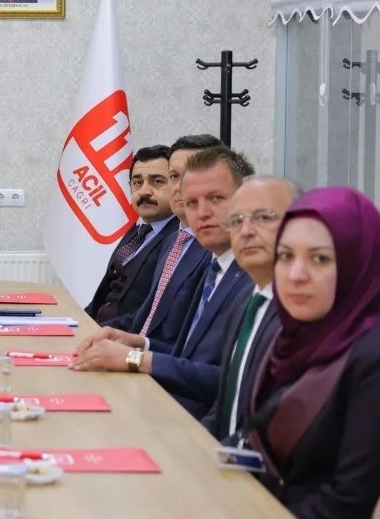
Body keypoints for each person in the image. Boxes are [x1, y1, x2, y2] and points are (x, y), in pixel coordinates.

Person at [244, 186, 380, 519]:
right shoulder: (292, 336)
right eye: (285, 256)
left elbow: (349, 507)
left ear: (356, 265)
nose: (296, 275)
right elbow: (255, 439)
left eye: (320, 259)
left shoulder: (379, 358)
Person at [72, 145, 255, 420]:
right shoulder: (215, 268)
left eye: (216, 198)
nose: (202, 213)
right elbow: (186, 354)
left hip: (193, 419)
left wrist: (135, 358)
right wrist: (138, 343)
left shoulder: (253, 278)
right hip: (170, 400)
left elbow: (232, 382)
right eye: (192, 203)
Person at [81, 133, 221, 352]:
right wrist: (86, 328)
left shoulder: (213, 248)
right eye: (174, 177)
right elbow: (147, 317)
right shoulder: (170, 241)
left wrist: (132, 356)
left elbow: (189, 346)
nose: (180, 187)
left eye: (157, 181)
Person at [202, 175, 303, 441]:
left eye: (264, 218)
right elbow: (225, 406)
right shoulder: (244, 299)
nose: (246, 231)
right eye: (236, 221)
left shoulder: (302, 313)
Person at [83, 144, 177, 324]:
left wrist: (100, 331)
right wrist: (78, 323)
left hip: (123, 335)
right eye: (137, 183)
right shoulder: (137, 231)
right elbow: (103, 296)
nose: (145, 191)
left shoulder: (180, 240)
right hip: (96, 328)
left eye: (157, 181)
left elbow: (153, 314)